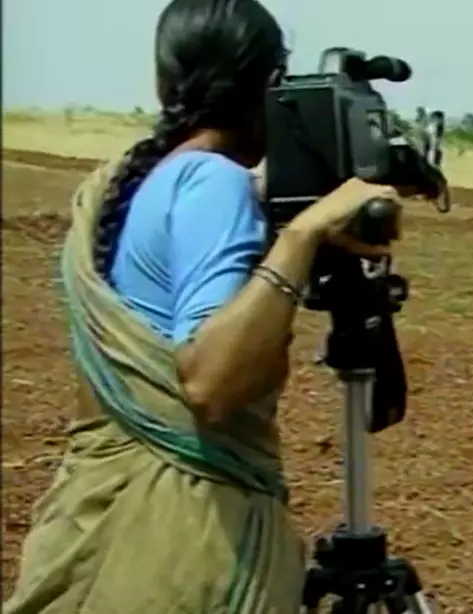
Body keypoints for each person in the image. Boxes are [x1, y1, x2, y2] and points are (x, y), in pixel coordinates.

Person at [3, 0, 401, 612]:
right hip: (178, 534)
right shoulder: (213, 182)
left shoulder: (136, 180)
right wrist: (302, 236)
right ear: (272, 85)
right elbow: (212, 383)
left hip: (100, 517)